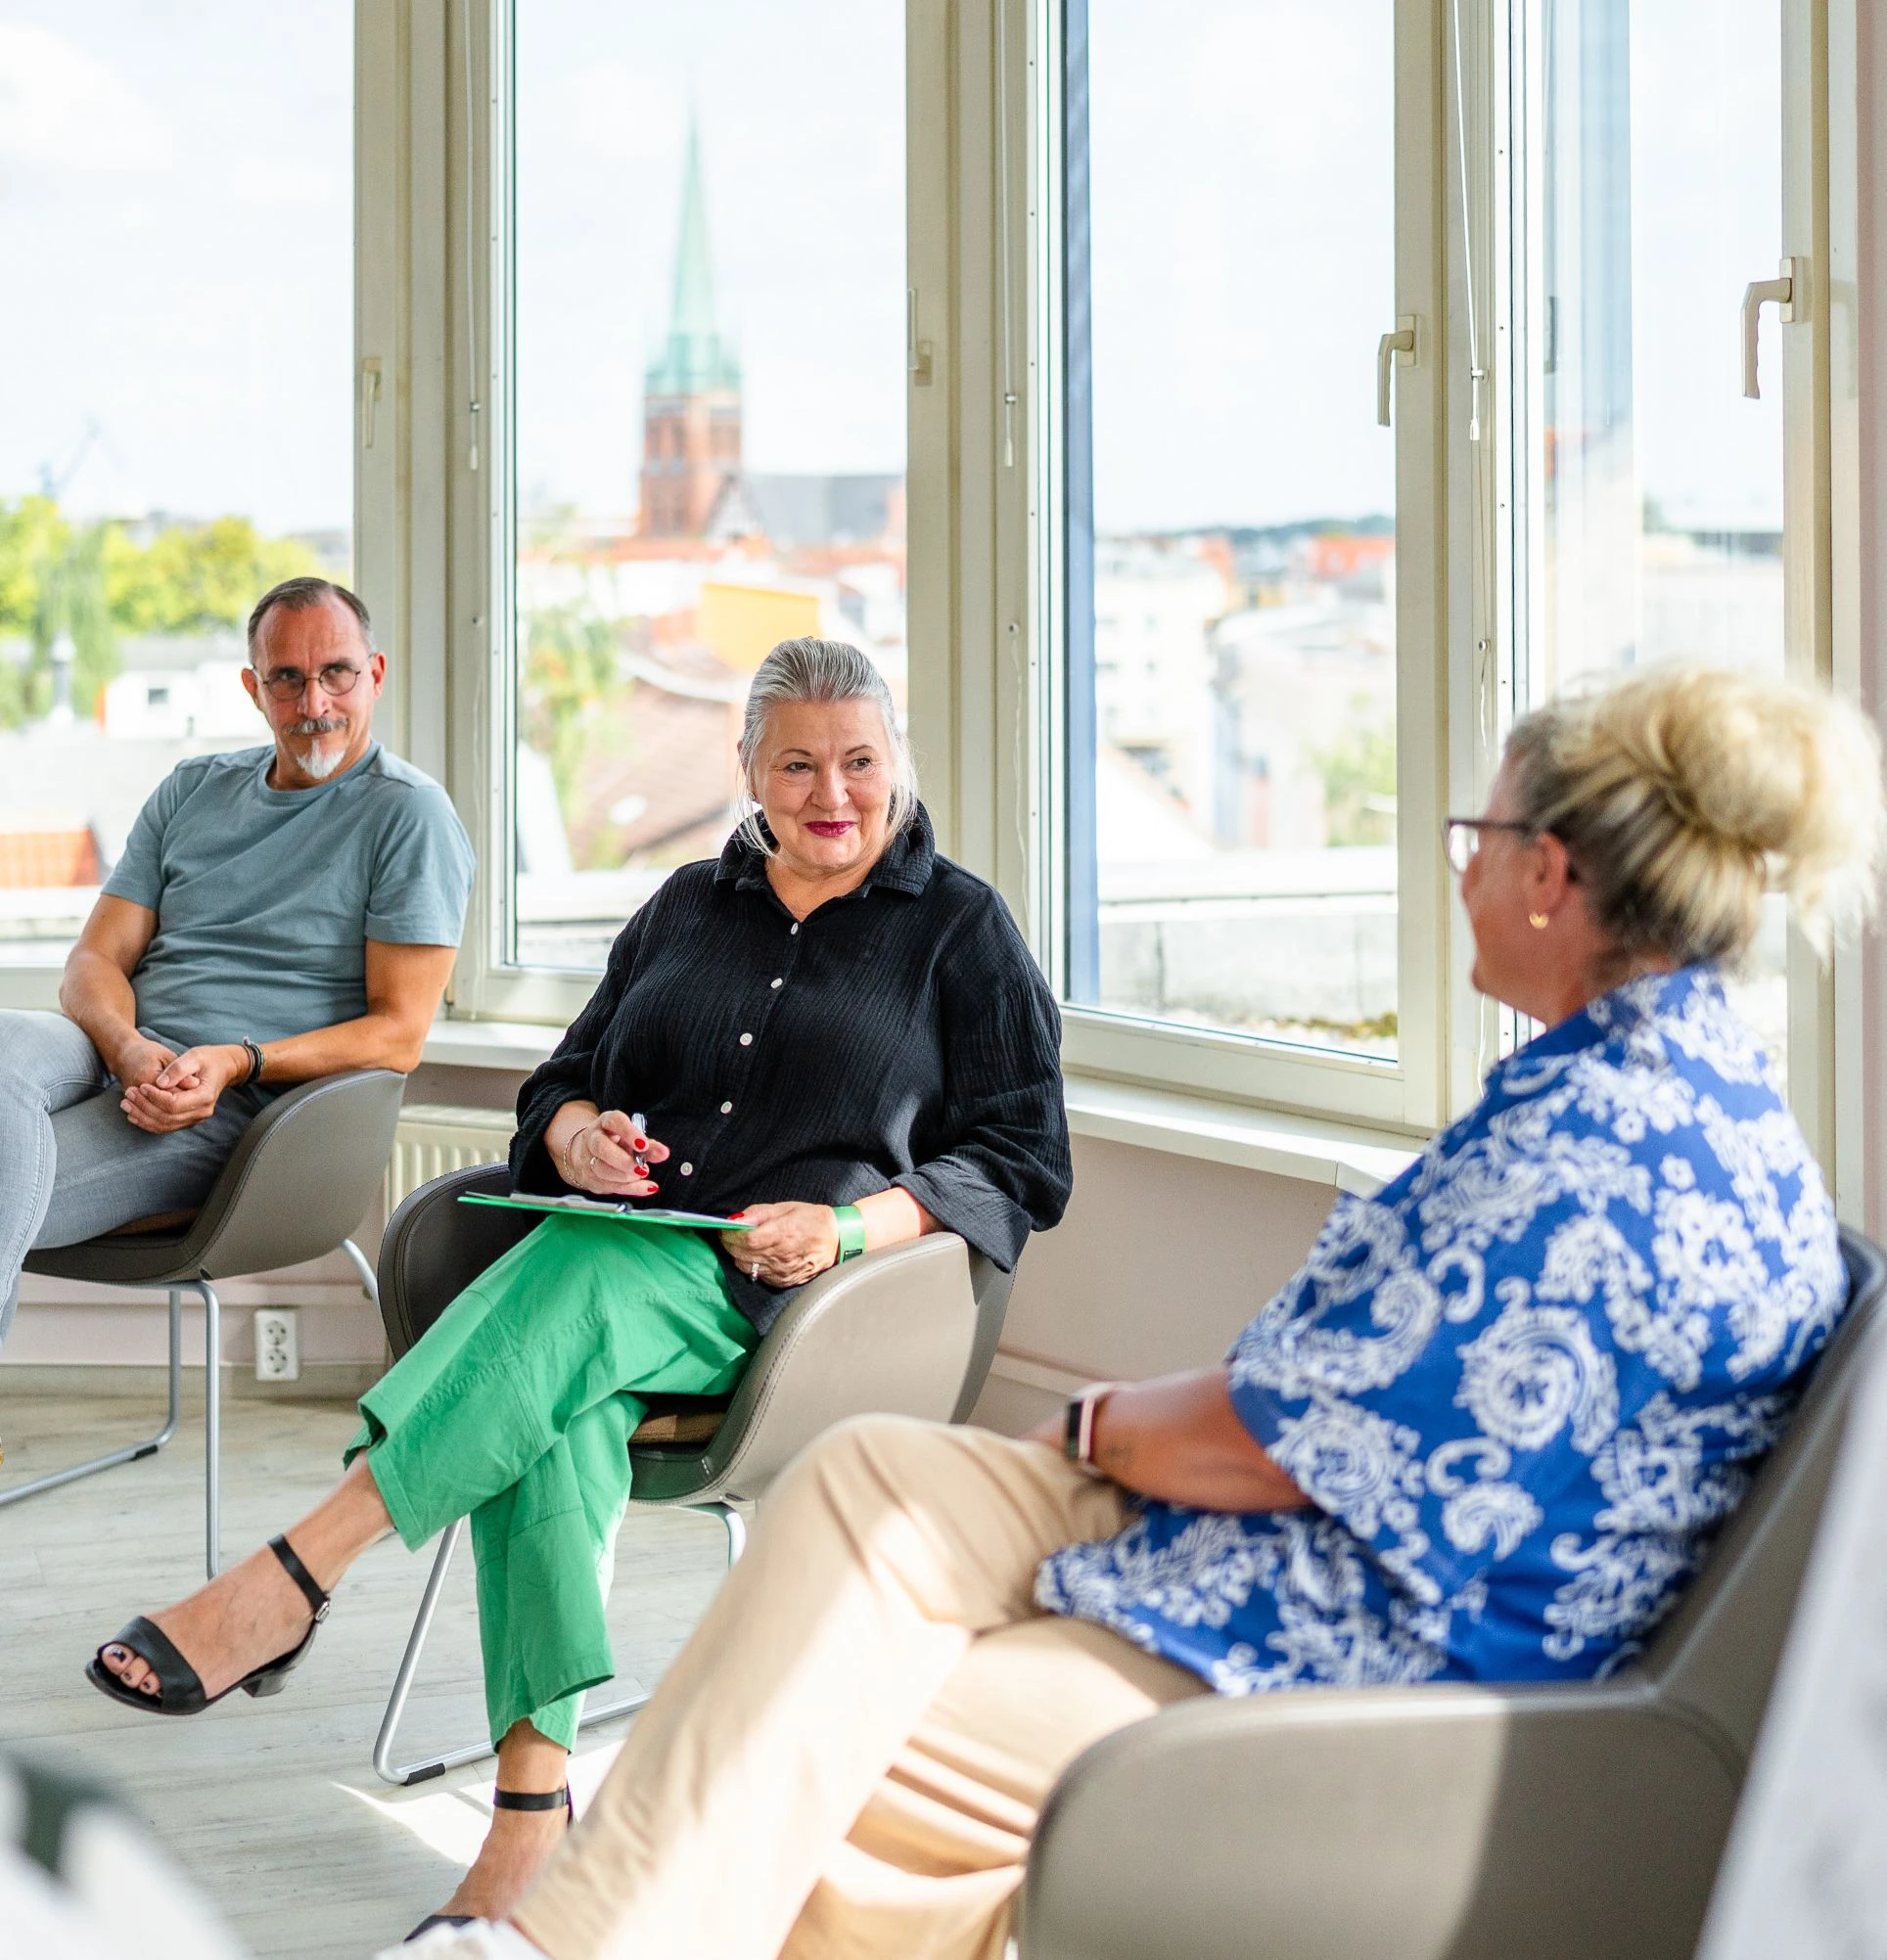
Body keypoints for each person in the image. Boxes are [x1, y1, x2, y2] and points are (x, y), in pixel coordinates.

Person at [389, 664, 1881, 1960]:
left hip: (1345, 1628)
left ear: (1552, 872)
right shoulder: (1666, 1084)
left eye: (1475, 839)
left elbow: (1281, 1443)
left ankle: (565, 1932)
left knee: (849, 1737)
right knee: (863, 1479)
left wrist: (1096, 1418)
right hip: (1305, 1534)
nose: (1461, 870)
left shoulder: (1591, 1147)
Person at [83, 638, 1073, 1937]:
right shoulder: (683, 904)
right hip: (604, 1275)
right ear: (750, 771)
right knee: (555, 1401)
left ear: (899, 760)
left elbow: (1023, 1156)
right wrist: (575, 1137)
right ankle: (527, 1827)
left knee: (581, 1279)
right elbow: (560, 1082)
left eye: (859, 760)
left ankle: (293, 1572)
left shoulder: (962, 928)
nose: (832, 791)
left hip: (790, 1307)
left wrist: (842, 1233)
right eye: (798, 762)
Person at [0, 575, 474, 1345]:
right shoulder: (192, 789)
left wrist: (233, 1060)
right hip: (118, 1053)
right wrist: (126, 1047)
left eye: (337, 673)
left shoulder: (408, 815)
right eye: (287, 678)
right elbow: (92, 960)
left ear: (375, 675)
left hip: (235, 1112)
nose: (314, 701)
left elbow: (399, 1033)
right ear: (255, 688)